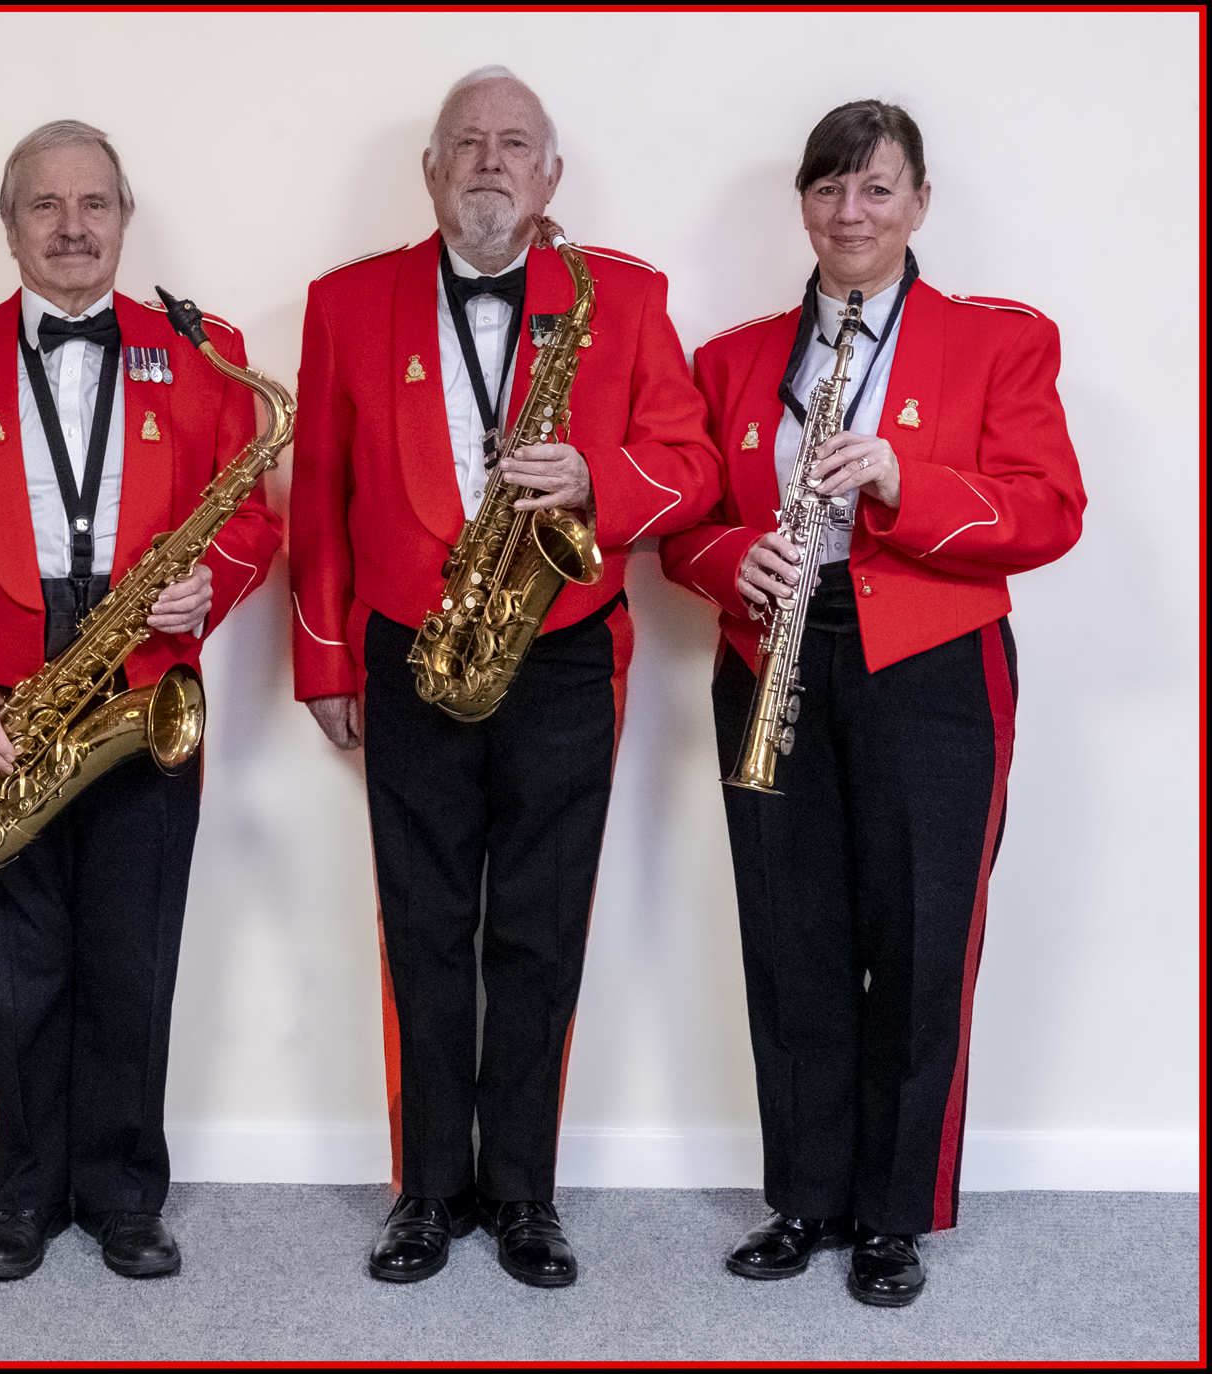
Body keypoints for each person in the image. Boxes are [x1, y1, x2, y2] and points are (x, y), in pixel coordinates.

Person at [288, 67, 722, 1286]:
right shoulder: (344, 301)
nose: (487, 160)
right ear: (430, 170)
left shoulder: (621, 298)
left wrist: (598, 480)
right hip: (407, 646)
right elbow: (316, 494)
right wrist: (322, 653)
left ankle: (523, 1193)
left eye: (512, 144)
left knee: (538, 925)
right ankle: (427, 1189)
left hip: (565, 646)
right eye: (464, 143)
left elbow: (689, 465)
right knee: (423, 923)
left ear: (549, 178)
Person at [660, 100, 1085, 1307]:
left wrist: (906, 478)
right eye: (828, 190)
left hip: (934, 662)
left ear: (918, 205)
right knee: (788, 935)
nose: (850, 213)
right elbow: (682, 524)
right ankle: (803, 1198)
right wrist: (725, 555)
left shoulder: (998, 342)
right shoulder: (733, 357)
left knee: (917, 938)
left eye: (877, 190)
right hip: (773, 650)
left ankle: (893, 1215)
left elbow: (1048, 510)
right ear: (800, 204)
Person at [0, 120, 281, 1282]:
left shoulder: (206, 351)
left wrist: (210, 586)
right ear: (9, 226)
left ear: (124, 218)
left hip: (143, 683)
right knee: (7, 960)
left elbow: (250, 517)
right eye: (45, 205)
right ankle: (21, 1194)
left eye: (93, 203)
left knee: (132, 955)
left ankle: (125, 1193)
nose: (72, 226)